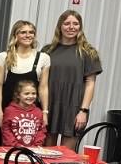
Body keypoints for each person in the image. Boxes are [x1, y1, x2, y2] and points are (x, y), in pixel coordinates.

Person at [42, 10, 102, 150]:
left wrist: (83, 111)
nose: (71, 27)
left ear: (80, 27)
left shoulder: (88, 52)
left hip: (74, 108)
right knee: (44, 153)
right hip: (50, 106)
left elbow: (90, 83)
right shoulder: (48, 50)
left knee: (66, 156)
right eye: (67, 23)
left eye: (75, 24)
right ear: (60, 26)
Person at [0, 21, 50, 132]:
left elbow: (43, 87)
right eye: (23, 32)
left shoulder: (43, 57)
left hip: (32, 114)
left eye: (31, 32)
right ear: (15, 35)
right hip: (8, 112)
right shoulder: (3, 57)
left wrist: (44, 112)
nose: (28, 35)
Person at [2, 80, 45, 147]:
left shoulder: (38, 111)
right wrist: (16, 145)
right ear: (18, 95)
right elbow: (6, 130)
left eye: (33, 93)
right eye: (26, 93)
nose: (31, 96)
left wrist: (36, 145)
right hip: (13, 149)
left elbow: (41, 130)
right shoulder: (9, 110)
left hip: (33, 150)